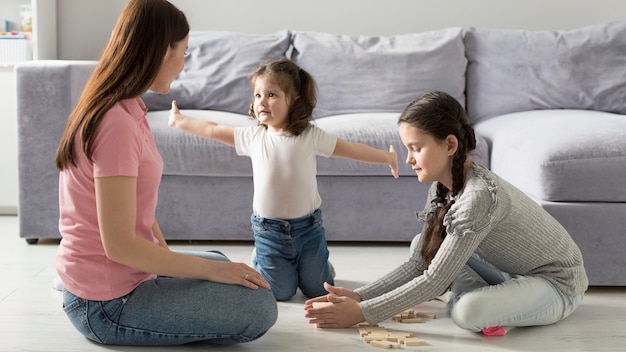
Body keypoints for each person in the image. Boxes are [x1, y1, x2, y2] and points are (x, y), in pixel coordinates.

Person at [54, 0, 277, 346]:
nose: (183, 65)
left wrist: (172, 261)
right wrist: (196, 269)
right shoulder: (115, 124)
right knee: (259, 305)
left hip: (123, 277)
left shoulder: (128, 107)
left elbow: (136, 209)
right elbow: (119, 246)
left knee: (222, 264)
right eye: (183, 53)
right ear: (160, 51)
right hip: (104, 303)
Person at [304, 91, 588, 335]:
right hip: (508, 273)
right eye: (407, 149)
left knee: (467, 313)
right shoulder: (444, 187)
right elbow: (420, 264)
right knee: (423, 246)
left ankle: (472, 302)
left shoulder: (478, 198)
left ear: (450, 145)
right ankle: (491, 301)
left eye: (416, 148)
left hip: (557, 285)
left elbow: (435, 280)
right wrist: (359, 295)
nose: (408, 159)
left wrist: (362, 312)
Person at [168, 58, 399, 301]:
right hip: (269, 232)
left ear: (295, 100)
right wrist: (181, 120)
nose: (261, 102)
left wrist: (387, 157)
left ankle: (319, 266)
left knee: (319, 290)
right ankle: (261, 258)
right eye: (257, 95)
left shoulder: (311, 136)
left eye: (271, 95)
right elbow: (212, 129)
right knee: (279, 292)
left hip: (308, 230)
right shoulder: (253, 136)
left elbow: (350, 149)